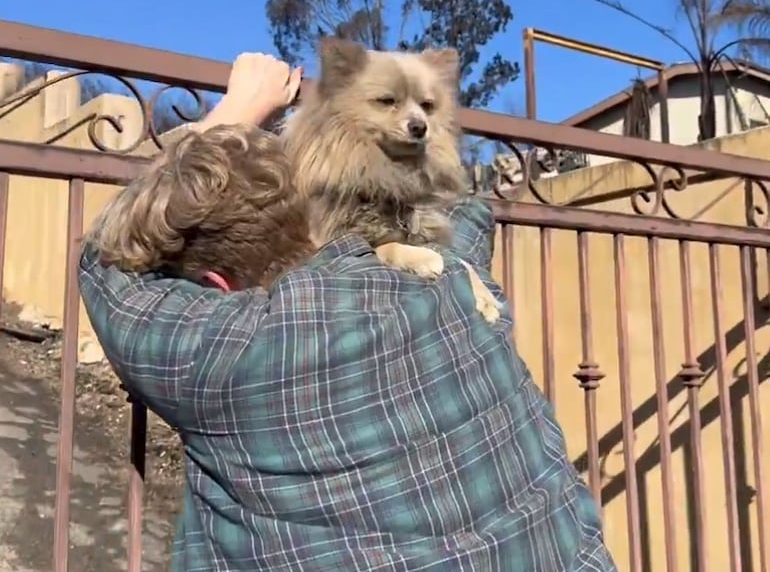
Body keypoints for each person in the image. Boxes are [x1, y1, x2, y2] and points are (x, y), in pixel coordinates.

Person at [79, 53, 617, 571]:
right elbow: (463, 206)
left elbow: (105, 259)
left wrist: (236, 111)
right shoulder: (449, 276)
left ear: (215, 285)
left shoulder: (222, 354)